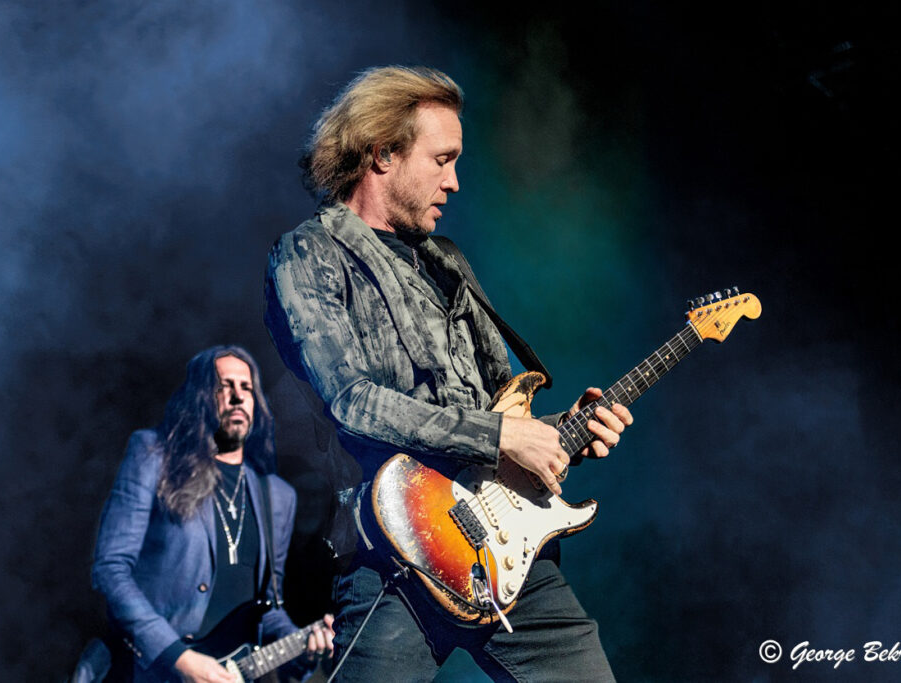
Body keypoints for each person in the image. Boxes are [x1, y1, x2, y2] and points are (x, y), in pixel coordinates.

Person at [264, 67, 633, 681]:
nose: (455, 181)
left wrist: (557, 434)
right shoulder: (310, 253)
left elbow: (496, 407)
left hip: (503, 551)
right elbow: (352, 401)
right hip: (395, 552)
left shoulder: (448, 262)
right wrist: (504, 435)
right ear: (383, 154)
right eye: (442, 160)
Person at [92, 345, 333, 683]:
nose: (237, 397)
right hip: (145, 671)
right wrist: (179, 659)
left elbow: (267, 608)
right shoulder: (152, 456)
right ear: (200, 397)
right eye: (224, 386)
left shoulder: (277, 497)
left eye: (246, 387)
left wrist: (302, 645)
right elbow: (111, 569)